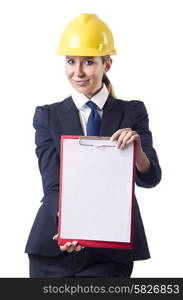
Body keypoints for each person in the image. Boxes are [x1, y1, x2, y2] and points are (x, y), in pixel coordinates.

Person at [25, 13, 162, 278]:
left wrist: (137, 152)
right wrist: (68, 227)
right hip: (55, 245)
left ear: (107, 64)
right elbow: (52, 183)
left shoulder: (132, 112)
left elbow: (151, 178)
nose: (78, 72)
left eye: (89, 62)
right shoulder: (47, 115)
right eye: (70, 61)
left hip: (110, 253)